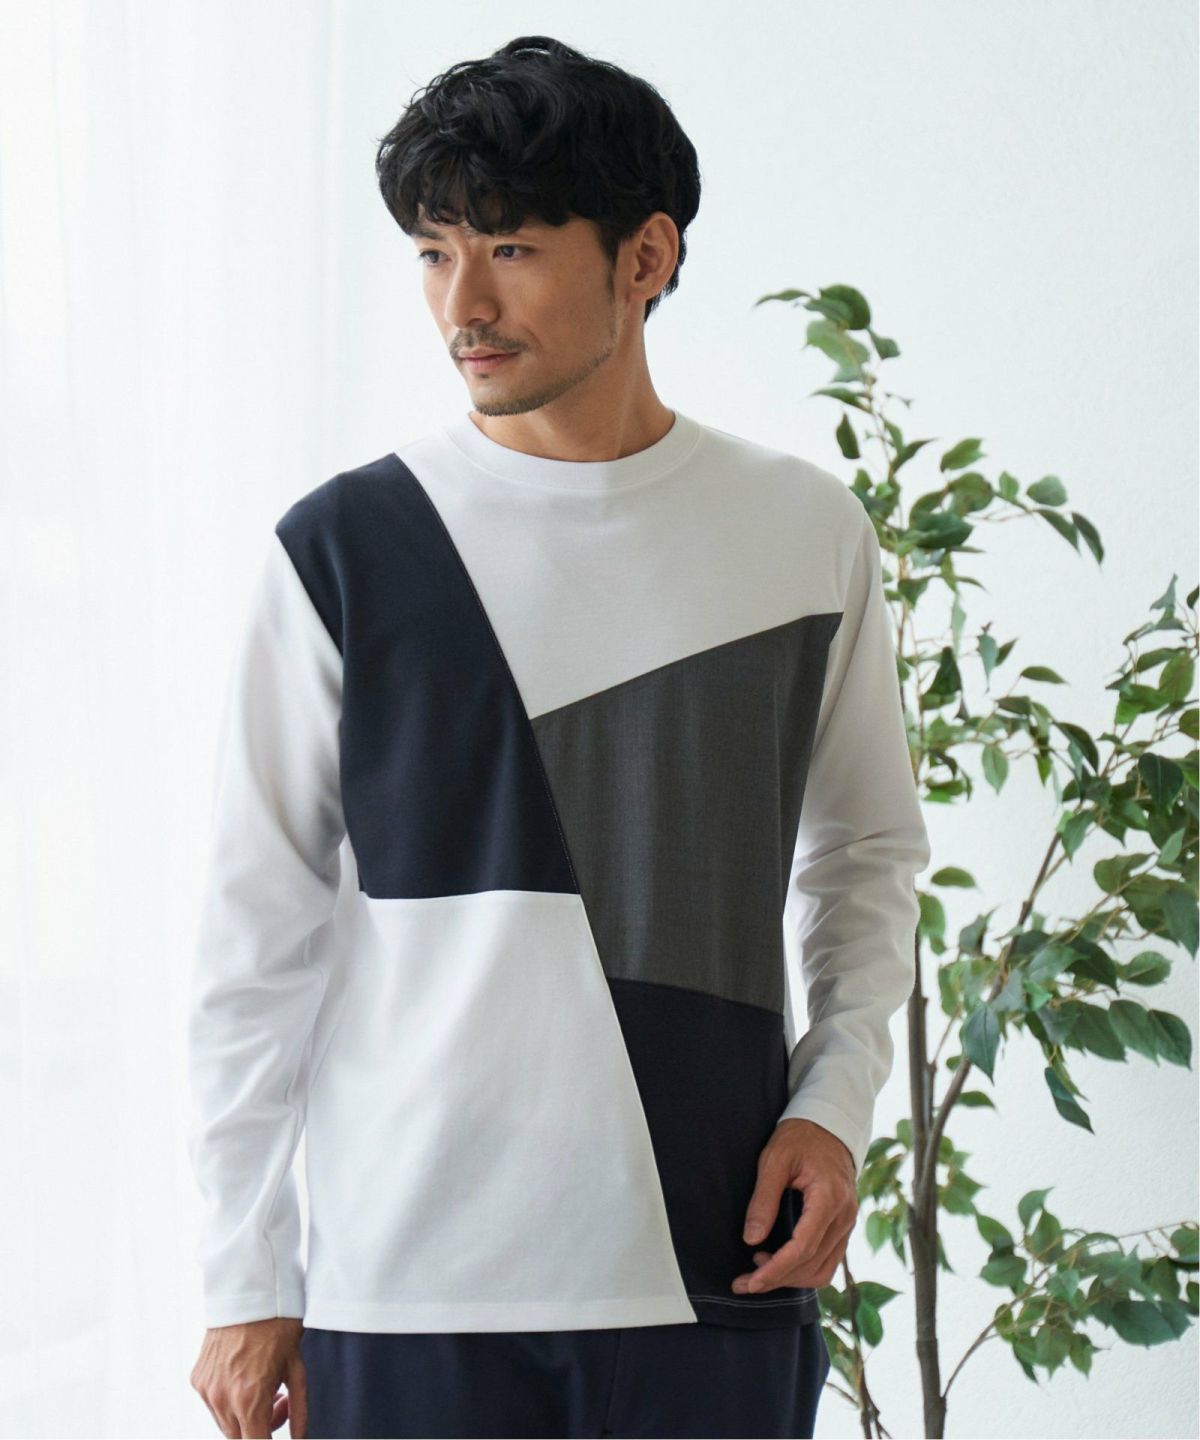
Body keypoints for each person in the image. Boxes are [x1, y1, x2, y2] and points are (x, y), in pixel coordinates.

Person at [186, 33, 930, 1440]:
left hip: (712, 1264)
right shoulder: (345, 550)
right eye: (433, 253)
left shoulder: (801, 533)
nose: (461, 304)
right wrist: (243, 1270)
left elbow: (868, 854)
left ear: (645, 257)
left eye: (512, 249)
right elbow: (253, 933)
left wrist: (833, 1108)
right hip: (408, 1289)